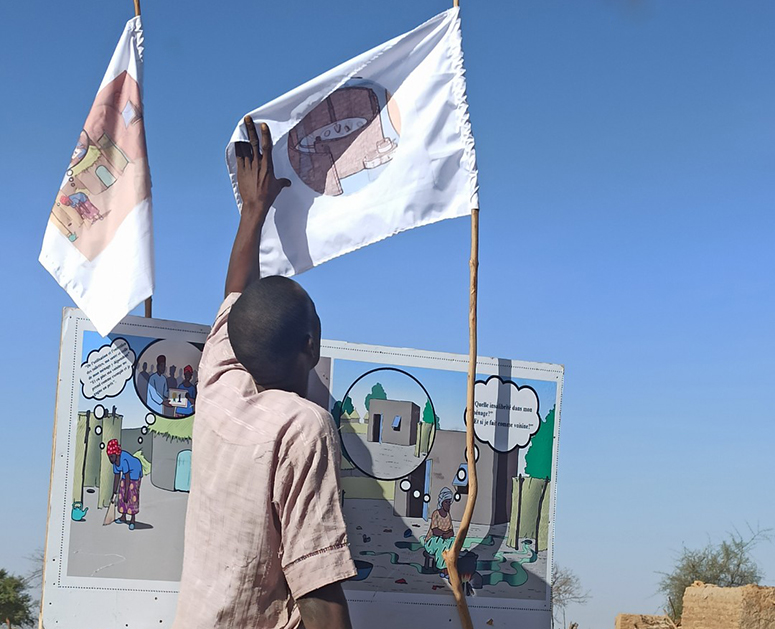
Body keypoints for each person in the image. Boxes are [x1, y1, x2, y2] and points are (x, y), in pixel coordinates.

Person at [173, 118, 356, 629]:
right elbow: (318, 581)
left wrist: (254, 211)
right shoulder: (303, 426)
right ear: (311, 345)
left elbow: (237, 297)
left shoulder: (217, 383)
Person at [106, 439, 143, 531]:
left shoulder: (123, 459)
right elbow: (117, 477)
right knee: (121, 494)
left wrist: (127, 493)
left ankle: (132, 520)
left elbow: (127, 477)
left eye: (112, 456)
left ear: (117, 455)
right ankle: (123, 517)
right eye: (109, 457)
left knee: (132, 495)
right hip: (127, 475)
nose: (110, 459)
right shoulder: (115, 462)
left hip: (135, 471)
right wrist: (114, 493)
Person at [423, 487, 456, 577]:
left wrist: (448, 534)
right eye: (446, 502)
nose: (448, 504)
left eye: (449, 502)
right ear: (442, 502)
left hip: (444, 539)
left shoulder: (448, 515)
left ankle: (450, 565)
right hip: (432, 541)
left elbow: (451, 530)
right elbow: (435, 530)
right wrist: (444, 534)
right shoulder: (436, 514)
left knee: (453, 541)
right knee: (441, 544)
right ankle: (442, 568)